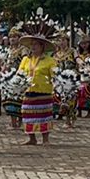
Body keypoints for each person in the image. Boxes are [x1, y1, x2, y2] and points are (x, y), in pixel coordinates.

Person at [15, 15, 57, 146]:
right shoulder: (25, 60)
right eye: (31, 44)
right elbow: (19, 74)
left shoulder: (50, 61)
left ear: (42, 46)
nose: (33, 47)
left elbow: (55, 76)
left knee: (44, 114)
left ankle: (45, 139)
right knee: (27, 113)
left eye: (36, 44)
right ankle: (31, 138)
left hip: (43, 91)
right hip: (28, 91)